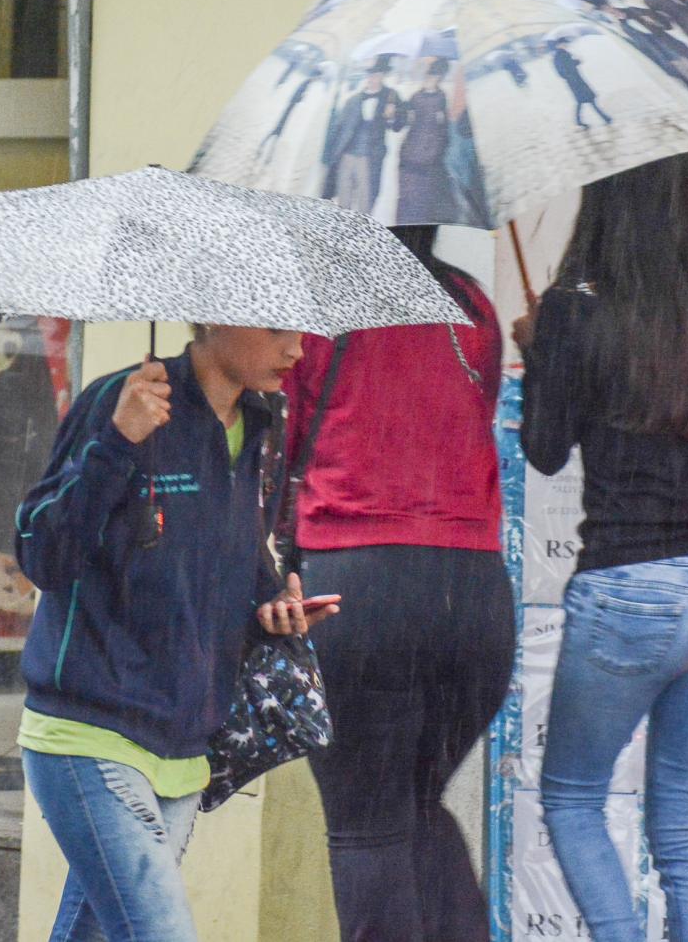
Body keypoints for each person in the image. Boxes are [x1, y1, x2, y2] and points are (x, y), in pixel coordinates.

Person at [15, 326, 339, 942]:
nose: (295, 349)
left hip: (184, 746)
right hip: (91, 733)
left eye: (298, 331)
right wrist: (117, 442)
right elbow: (43, 555)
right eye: (275, 329)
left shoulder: (260, 421)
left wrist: (272, 604)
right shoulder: (122, 399)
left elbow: (225, 560)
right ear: (216, 318)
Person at [513, 153, 688, 942]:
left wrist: (541, 351)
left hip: (629, 588)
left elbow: (546, 450)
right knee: (685, 830)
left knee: (573, 798)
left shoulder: (576, 307)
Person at [286, 225, 513, 942]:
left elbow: (281, 437)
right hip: (474, 597)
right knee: (416, 807)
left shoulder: (322, 300)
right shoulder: (470, 306)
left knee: (367, 823)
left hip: (359, 587)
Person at [322, 58, 402, 215]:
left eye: (377, 75)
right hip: (347, 155)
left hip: (370, 158)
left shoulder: (391, 97)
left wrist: (392, 116)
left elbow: (398, 126)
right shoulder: (353, 100)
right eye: (371, 75)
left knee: (365, 204)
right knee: (343, 203)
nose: (373, 79)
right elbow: (340, 129)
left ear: (383, 76)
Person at [394, 58, 458, 223]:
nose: (429, 80)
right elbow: (399, 123)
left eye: (433, 76)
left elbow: (442, 131)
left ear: (439, 78)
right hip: (412, 156)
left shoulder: (440, 98)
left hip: (427, 159)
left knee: (419, 202)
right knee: (408, 199)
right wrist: (395, 111)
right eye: (428, 76)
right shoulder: (417, 96)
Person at [549, 38, 614, 128]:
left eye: (566, 44)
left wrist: (577, 61)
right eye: (564, 44)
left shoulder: (564, 54)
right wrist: (572, 73)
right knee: (587, 100)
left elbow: (569, 65)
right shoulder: (558, 56)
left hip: (577, 80)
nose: (566, 45)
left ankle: (581, 121)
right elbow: (562, 71)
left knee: (584, 101)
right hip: (575, 82)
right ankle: (605, 118)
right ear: (559, 45)